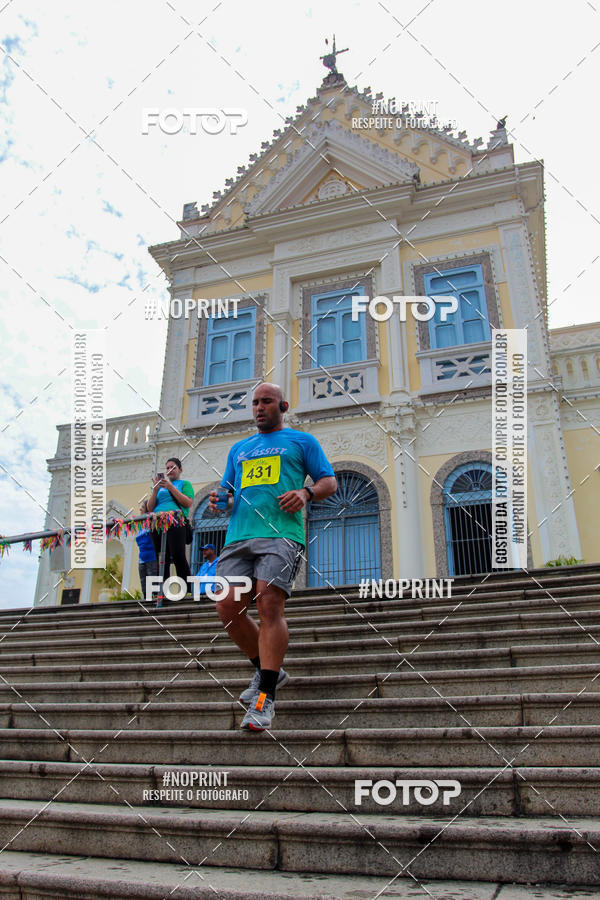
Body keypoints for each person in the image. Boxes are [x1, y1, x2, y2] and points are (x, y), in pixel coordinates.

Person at [209, 382, 337, 732]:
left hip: (281, 535)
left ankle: (264, 699)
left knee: (269, 603)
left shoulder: (301, 441)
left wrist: (306, 492)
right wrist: (219, 501)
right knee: (227, 606)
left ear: (283, 405)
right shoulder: (240, 448)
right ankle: (270, 671)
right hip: (238, 538)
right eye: (255, 403)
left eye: (267, 401)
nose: (259, 407)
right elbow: (228, 494)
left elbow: (330, 482)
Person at [147, 457, 194, 601]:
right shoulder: (160, 488)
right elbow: (150, 508)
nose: (169, 470)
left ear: (180, 469)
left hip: (175, 521)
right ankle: (162, 591)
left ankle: (187, 589)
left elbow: (187, 502)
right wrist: (155, 491)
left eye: (173, 467)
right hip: (158, 522)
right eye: (167, 468)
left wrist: (171, 487)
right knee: (161, 557)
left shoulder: (184, 484)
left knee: (178, 555)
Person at [135, 501, 158, 601]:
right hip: (142, 559)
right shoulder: (141, 525)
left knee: (152, 582)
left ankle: (154, 600)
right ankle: (146, 600)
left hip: (151, 557)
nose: (140, 509)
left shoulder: (151, 523)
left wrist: (153, 516)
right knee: (143, 582)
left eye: (142, 507)